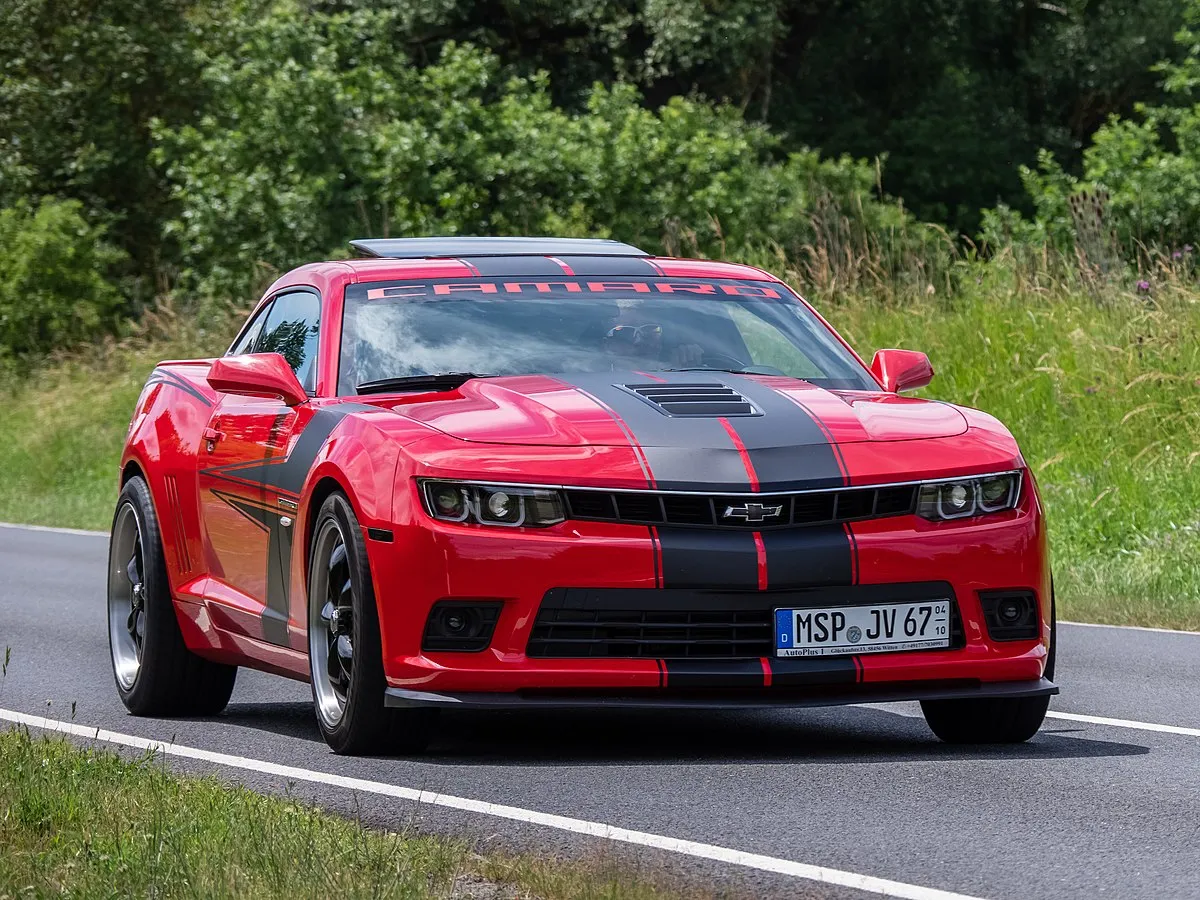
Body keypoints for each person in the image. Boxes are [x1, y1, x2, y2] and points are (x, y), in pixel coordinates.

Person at [602, 299, 704, 368]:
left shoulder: (684, 365)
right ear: (606, 344)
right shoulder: (588, 378)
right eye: (625, 332)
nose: (638, 341)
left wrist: (688, 370)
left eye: (649, 329)